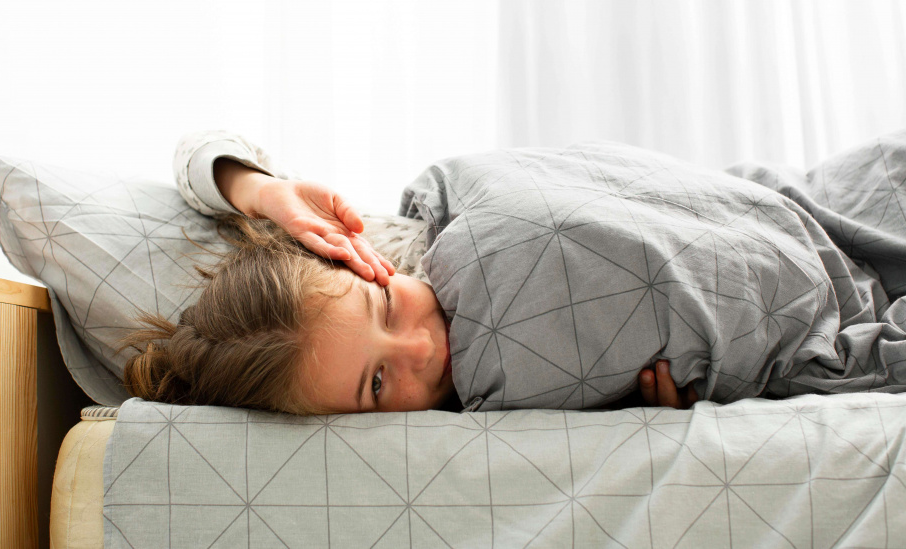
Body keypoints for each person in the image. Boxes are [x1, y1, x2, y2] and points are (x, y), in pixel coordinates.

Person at [121, 131, 700, 414]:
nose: (421, 349)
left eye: (388, 307)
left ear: (356, 261)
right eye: (377, 383)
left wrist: (262, 190)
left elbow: (197, 152)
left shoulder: (388, 241)